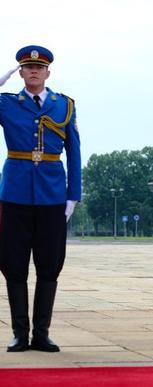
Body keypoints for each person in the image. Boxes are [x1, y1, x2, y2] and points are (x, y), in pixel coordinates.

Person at [0, 45, 81, 352]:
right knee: (13, 264)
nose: (33, 71)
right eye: (27, 67)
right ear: (20, 72)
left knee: (49, 265)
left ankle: (41, 333)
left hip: (51, 196)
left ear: (48, 72)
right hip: (15, 194)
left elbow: (74, 152)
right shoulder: (7, 103)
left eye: (39, 67)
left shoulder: (65, 106)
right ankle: (20, 333)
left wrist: (73, 194)